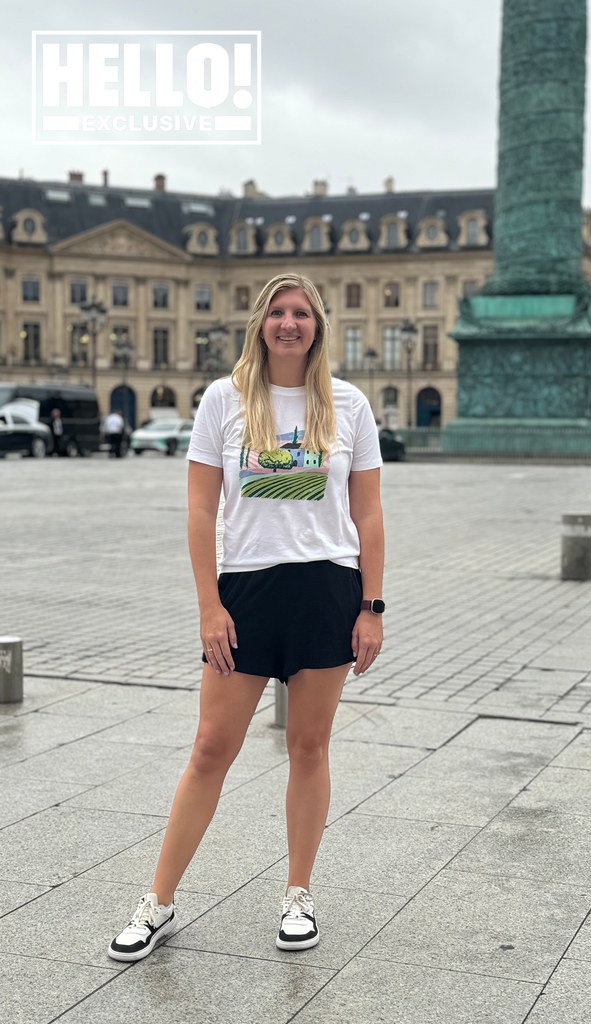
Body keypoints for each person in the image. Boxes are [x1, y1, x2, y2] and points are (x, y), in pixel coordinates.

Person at [108, 273, 384, 962]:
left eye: (301, 313)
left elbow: (369, 514)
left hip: (327, 587)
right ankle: (158, 900)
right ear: (260, 322)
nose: (289, 324)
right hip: (246, 592)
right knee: (209, 748)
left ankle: (297, 894)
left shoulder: (348, 405)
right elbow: (202, 511)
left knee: (309, 747)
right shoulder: (223, 400)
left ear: (317, 325)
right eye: (277, 312)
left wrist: (372, 607)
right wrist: (209, 604)